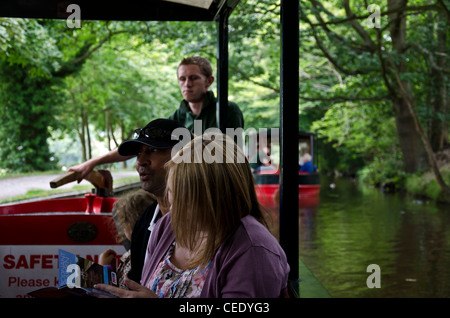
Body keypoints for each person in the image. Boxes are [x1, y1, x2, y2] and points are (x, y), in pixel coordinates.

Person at [94, 133, 290, 298]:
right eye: (171, 191)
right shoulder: (166, 227)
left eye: (184, 195)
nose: (173, 204)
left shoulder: (253, 251)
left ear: (215, 197)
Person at [68, 56, 244, 182]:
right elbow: (142, 145)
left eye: (194, 78)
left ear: (209, 81)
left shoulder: (228, 110)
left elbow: (231, 159)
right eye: (182, 79)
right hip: (189, 185)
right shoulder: (178, 116)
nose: (187, 84)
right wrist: (93, 162)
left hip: (220, 185)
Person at [98, 189, 156, 289]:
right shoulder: (152, 250)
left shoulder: (136, 259)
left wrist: (104, 268)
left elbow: (116, 292)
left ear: (130, 226)